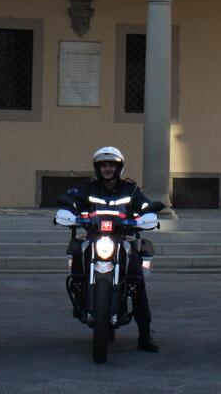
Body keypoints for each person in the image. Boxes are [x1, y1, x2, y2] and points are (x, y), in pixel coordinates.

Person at [62, 146, 159, 352]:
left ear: (119, 168)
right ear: (98, 168)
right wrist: (68, 211)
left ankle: (145, 333)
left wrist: (148, 214)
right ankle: (81, 294)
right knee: (78, 255)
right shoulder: (88, 189)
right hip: (94, 236)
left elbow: (144, 206)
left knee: (137, 282)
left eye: (111, 165)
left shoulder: (130, 190)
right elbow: (73, 203)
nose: (107, 169)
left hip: (123, 238)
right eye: (103, 165)